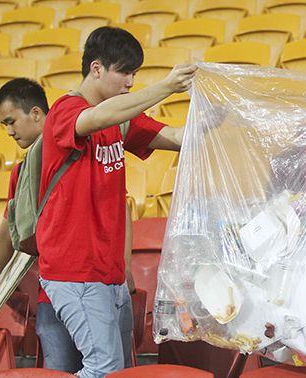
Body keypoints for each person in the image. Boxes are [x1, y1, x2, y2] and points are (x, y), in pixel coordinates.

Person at [35, 26, 197, 377]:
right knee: (104, 368)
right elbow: (92, 119)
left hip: (109, 275)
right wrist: (167, 86)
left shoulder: (119, 119)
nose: (130, 82)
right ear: (96, 69)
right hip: (75, 271)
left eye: (134, 74)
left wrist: (220, 109)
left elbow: (175, 137)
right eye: (125, 72)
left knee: (119, 369)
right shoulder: (66, 110)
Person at [0, 78, 136, 372]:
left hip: (99, 283)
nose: (9, 131)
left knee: (111, 369)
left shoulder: (91, 142)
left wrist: (123, 265)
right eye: (3, 124)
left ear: (37, 114)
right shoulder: (24, 171)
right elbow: (7, 232)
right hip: (54, 294)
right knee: (68, 370)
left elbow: (119, 207)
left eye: (11, 121)